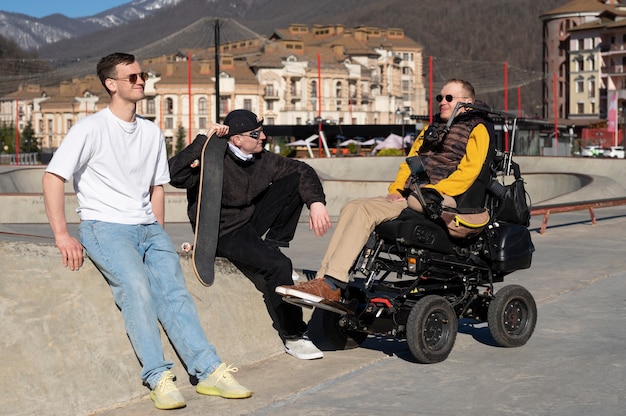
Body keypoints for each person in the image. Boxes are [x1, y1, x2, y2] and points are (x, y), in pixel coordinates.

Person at [42, 52, 251, 411]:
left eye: (143, 75)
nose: (141, 81)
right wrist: (62, 234)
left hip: (147, 228)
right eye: (133, 77)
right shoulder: (89, 129)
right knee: (137, 289)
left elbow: (157, 187)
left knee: (175, 294)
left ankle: (209, 371)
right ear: (111, 84)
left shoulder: (151, 132)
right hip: (104, 227)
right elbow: (53, 177)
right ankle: (159, 378)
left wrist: (157, 231)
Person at [276, 79, 494, 303]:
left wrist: (433, 191)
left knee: (369, 211)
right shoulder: (433, 128)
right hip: (414, 195)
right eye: (440, 98)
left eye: (449, 98)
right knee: (352, 206)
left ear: (467, 102)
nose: (442, 102)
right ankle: (324, 281)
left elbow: (470, 172)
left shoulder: (477, 127)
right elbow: (410, 162)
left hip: (442, 199)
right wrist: (398, 189)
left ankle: (333, 283)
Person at [168, 109, 332, 360]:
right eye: (256, 134)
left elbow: (302, 169)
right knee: (279, 267)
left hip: (249, 222)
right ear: (236, 140)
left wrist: (316, 203)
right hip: (222, 232)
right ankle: (294, 335)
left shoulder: (263, 159)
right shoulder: (211, 158)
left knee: (292, 180)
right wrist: (203, 141)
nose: (263, 137)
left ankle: (273, 245)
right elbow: (174, 175)